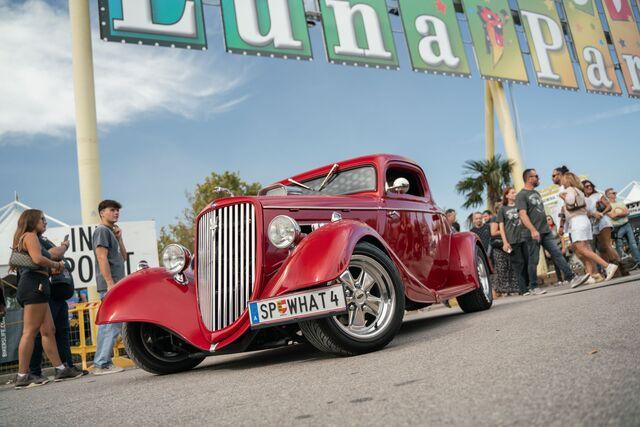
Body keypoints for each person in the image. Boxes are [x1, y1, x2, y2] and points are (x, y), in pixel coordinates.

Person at [10, 210, 81, 388]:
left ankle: (61, 369)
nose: (45, 222)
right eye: (42, 219)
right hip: (34, 286)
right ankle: (22, 376)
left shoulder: (28, 237)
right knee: (30, 332)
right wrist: (56, 264)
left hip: (38, 285)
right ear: (32, 220)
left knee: (49, 330)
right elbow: (37, 259)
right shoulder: (30, 236)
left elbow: (39, 258)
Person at [29, 227, 88, 381]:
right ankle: (33, 372)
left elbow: (54, 256)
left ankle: (66, 366)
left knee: (62, 331)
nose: (45, 223)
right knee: (40, 333)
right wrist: (64, 246)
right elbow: (52, 255)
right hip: (44, 293)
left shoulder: (43, 239)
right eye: (41, 219)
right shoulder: (32, 239)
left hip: (58, 295)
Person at [517, 169, 587, 294]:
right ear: (529, 178)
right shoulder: (521, 195)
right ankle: (533, 287)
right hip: (532, 233)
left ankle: (572, 278)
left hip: (545, 231)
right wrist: (533, 230)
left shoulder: (536, 193)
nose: (538, 178)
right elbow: (522, 214)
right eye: (536, 176)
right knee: (534, 260)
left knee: (557, 254)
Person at [560, 173, 618, 287]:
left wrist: (563, 196)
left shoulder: (570, 189)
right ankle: (591, 275)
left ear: (567, 180)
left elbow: (570, 201)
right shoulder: (580, 191)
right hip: (584, 220)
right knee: (586, 249)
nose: (562, 183)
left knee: (582, 249)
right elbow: (586, 207)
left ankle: (607, 266)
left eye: (563, 180)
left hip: (577, 222)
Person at [92, 200, 127, 375]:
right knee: (112, 324)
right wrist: (109, 283)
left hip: (116, 284)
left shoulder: (111, 233)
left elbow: (124, 257)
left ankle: (101, 362)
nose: (116, 213)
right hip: (110, 285)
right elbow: (101, 257)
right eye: (112, 210)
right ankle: (102, 363)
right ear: (102, 213)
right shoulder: (102, 231)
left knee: (110, 324)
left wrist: (120, 238)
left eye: (117, 210)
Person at [582, 180, 625, 275]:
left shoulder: (598, 195)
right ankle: (615, 270)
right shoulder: (583, 199)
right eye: (586, 186)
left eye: (590, 185)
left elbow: (609, 206)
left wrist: (601, 213)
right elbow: (584, 213)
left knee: (607, 245)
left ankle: (621, 266)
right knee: (603, 248)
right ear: (582, 188)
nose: (589, 187)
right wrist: (593, 214)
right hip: (593, 224)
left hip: (603, 221)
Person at [494, 190, 522, 295]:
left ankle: (520, 287)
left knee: (518, 264)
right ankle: (513, 289)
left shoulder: (518, 206)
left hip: (521, 238)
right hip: (507, 243)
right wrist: (506, 236)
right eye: (512, 192)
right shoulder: (499, 214)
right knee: (512, 266)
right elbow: (494, 231)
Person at [606, 188, 640, 268]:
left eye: (615, 192)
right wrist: (622, 213)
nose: (615, 194)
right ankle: (624, 265)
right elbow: (612, 216)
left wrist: (618, 214)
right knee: (619, 247)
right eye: (613, 193)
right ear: (608, 195)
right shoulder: (607, 206)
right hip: (617, 228)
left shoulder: (620, 202)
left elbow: (627, 212)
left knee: (633, 244)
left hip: (626, 225)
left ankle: (638, 262)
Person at [545, 215, 570, 284]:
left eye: (549, 219)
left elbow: (561, 238)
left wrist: (564, 247)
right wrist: (546, 251)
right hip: (552, 249)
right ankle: (560, 280)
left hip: (559, 246)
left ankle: (567, 278)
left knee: (564, 262)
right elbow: (545, 241)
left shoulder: (556, 227)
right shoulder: (545, 230)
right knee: (556, 265)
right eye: (547, 220)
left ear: (552, 220)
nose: (548, 221)